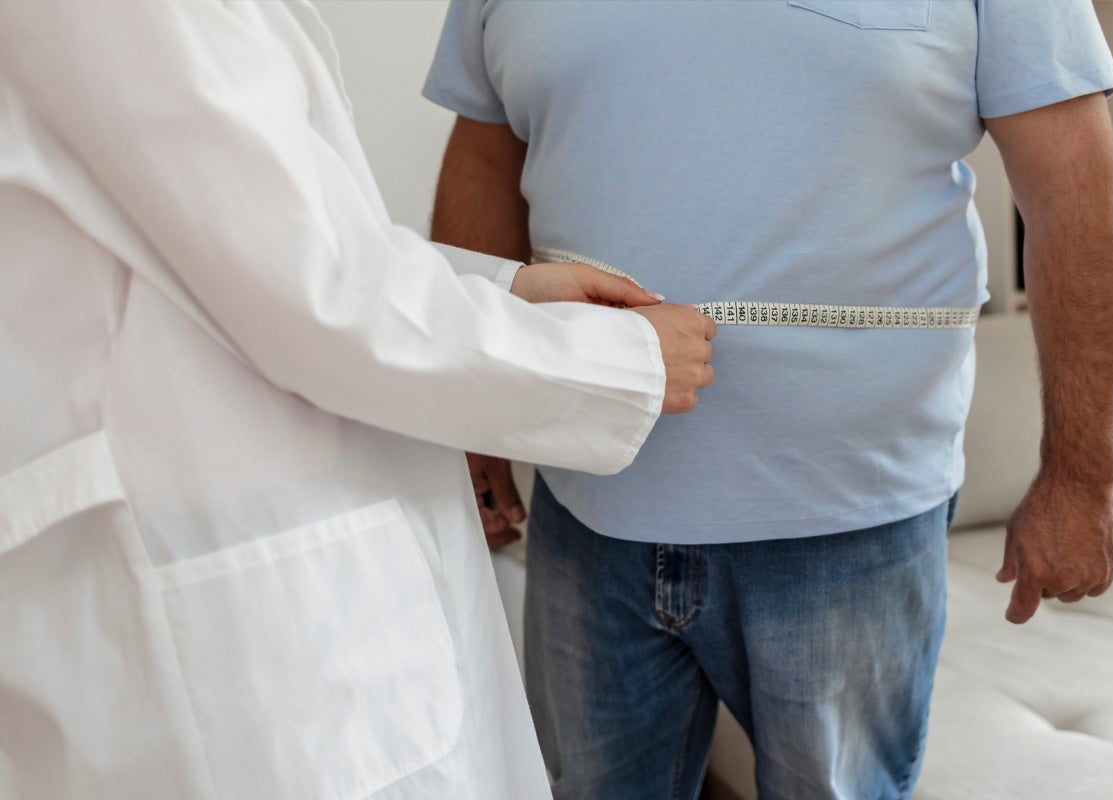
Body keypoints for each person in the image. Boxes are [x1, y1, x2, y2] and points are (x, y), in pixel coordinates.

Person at [0, 3, 717, 798]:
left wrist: (505, 292)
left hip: (254, 537)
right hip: (223, 609)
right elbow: (316, 294)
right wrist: (612, 360)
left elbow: (279, 247)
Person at [424, 1, 1113, 797]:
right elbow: (484, 156)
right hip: (584, 503)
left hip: (850, 523)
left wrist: (1083, 476)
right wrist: (471, 416)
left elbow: (1073, 187)